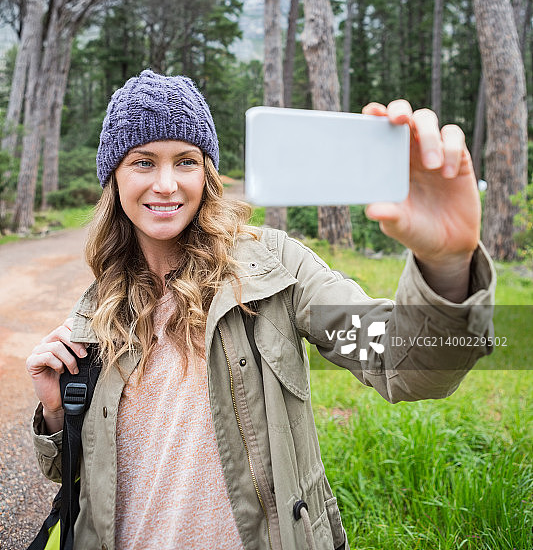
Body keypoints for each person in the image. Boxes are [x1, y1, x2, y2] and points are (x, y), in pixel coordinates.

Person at [26, 69, 495, 550]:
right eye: (143, 162)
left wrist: (446, 264)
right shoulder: (100, 306)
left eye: (185, 161)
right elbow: (86, 478)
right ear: (114, 177)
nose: (166, 184)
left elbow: (407, 366)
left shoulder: (276, 270)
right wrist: (59, 410)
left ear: (206, 174)